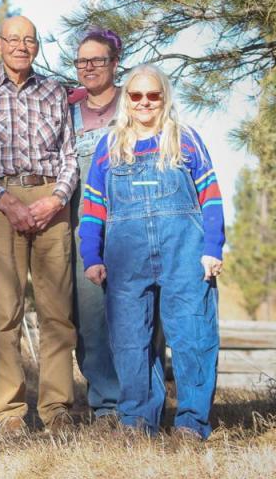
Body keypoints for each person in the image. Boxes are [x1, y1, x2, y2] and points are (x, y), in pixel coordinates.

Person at [79, 64, 224, 440]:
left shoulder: (185, 139)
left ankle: (192, 423)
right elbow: (93, 207)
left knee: (193, 335)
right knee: (130, 342)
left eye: (153, 95)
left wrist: (212, 247)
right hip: (127, 259)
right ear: (126, 99)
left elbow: (210, 197)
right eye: (136, 95)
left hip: (184, 254)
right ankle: (137, 422)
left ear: (164, 98)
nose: (145, 102)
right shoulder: (108, 146)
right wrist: (92, 257)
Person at [0, 15, 79, 435]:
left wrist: (56, 199)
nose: (21, 46)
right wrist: (6, 200)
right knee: (5, 315)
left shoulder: (54, 91)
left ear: (36, 46)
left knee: (57, 314)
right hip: (1, 204)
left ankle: (57, 409)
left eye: (29, 40)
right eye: (13, 39)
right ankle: (10, 412)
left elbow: (70, 154)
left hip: (51, 200)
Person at [68, 28, 123, 423]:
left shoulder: (136, 102)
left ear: (114, 63)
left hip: (134, 223)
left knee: (141, 315)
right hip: (85, 226)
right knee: (91, 317)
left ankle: (142, 401)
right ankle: (106, 404)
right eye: (82, 61)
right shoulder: (68, 110)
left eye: (97, 60)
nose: (89, 67)